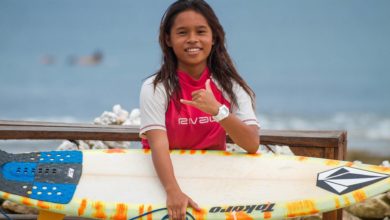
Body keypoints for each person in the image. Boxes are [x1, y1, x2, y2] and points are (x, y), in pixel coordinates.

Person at [139, 0, 260, 219]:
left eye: (201, 31)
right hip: (165, 181)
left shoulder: (232, 87)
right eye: (182, 32)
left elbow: (252, 143)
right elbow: (158, 143)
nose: (193, 39)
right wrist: (173, 191)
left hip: (212, 180)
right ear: (168, 39)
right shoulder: (156, 87)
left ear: (213, 37)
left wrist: (217, 110)